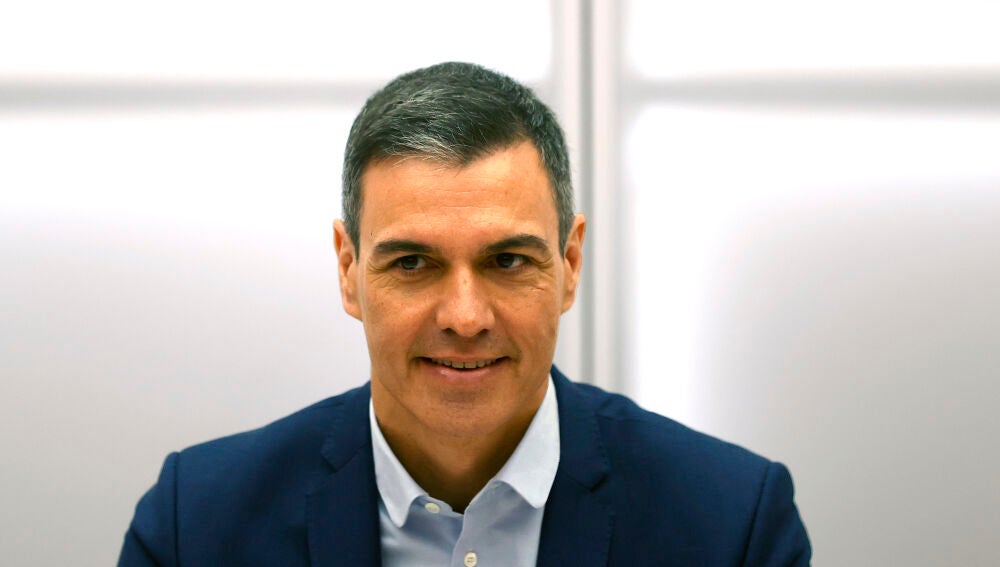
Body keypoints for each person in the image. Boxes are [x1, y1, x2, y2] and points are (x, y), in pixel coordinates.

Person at [118, 62, 811, 566]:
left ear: (570, 264)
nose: (466, 316)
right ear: (348, 269)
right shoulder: (195, 527)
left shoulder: (732, 527)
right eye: (412, 263)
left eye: (507, 260)